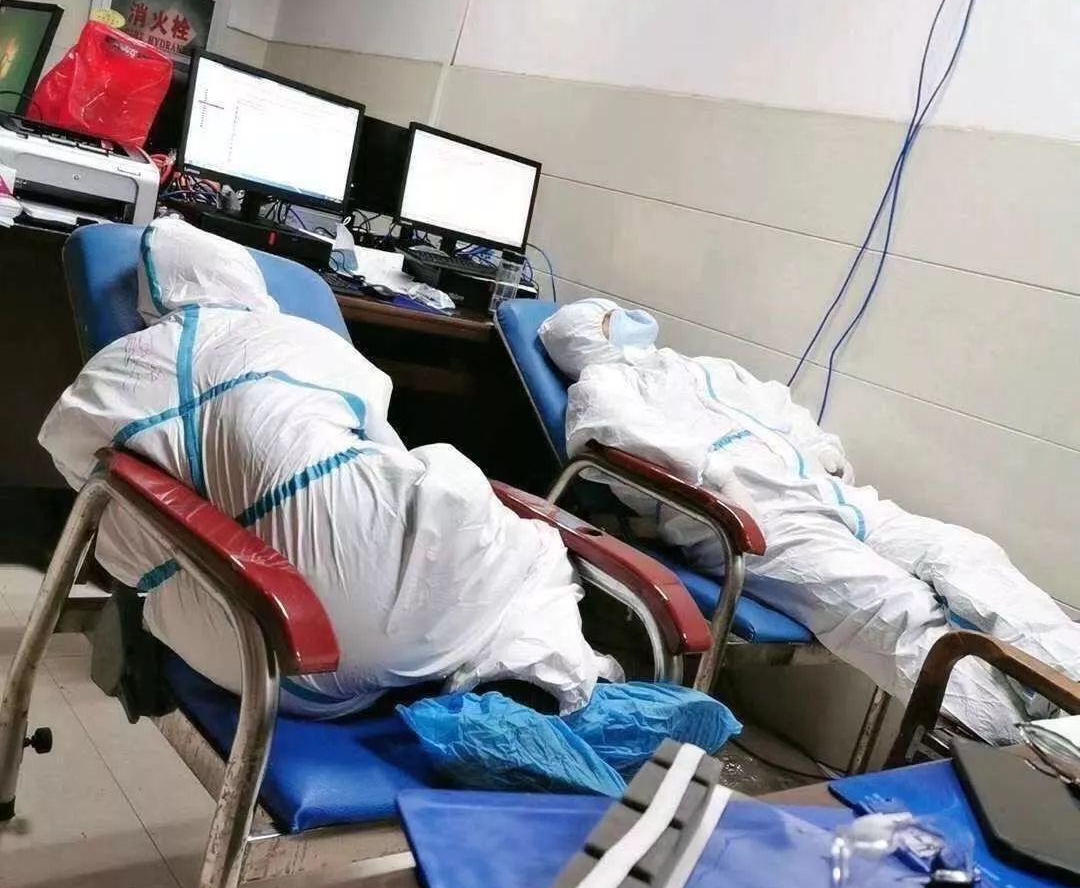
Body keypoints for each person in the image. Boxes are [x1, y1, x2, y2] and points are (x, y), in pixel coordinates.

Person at [40, 220, 615, 717]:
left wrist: (161, 571)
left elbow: (92, 491)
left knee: (166, 579)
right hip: (407, 628)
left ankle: (489, 666)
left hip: (265, 662)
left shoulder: (112, 374)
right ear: (249, 286)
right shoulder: (303, 339)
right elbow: (387, 447)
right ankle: (533, 669)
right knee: (522, 541)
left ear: (151, 298)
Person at [539, 297, 1080, 743]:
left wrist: (823, 453)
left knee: (966, 554)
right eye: (609, 318)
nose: (627, 318)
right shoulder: (602, 387)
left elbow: (781, 410)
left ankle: (1070, 684)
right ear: (586, 340)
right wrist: (718, 475)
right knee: (899, 609)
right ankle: (1034, 747)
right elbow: (619, 441)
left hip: (835, 496)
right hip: (754, 521)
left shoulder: (705, 369)